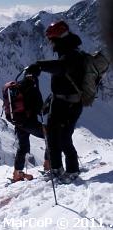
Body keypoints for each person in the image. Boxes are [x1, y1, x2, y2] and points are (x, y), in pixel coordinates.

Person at [26, 21, 85, 184]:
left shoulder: (73, 54)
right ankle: (56, 168)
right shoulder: (66, 51)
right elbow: (62, 74)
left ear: (58, 38)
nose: (50, 43)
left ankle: (72, 170)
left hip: (71, 104)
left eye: (52, 39)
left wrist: (39, 66)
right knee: (51, 136)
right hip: (58, 101)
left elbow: (62, 67)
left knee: (64, 137)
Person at [9, 75, 49, 182]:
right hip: (29, 122)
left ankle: (17, 173)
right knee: (50, 135)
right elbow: (39, 109)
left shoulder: (18, 87)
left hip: (18, 122)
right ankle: (48, 165)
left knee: (22, 147)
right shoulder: (32, 88)